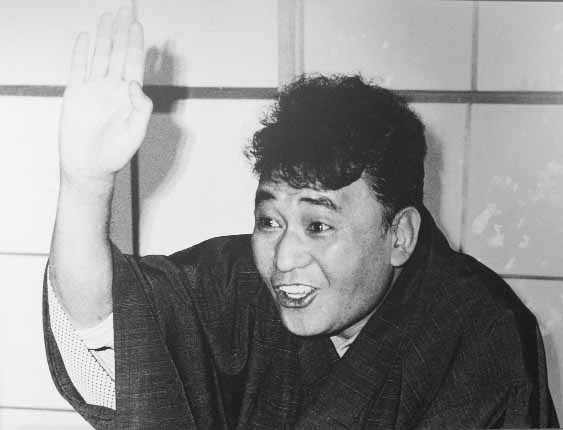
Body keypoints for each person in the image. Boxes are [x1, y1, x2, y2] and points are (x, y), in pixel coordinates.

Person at [44, 7, 559, 430]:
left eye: (318, 226)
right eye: (270, 221)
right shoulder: (237, 286)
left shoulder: (481, 334)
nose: (284, 258)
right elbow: (111, 323)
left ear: (399, 234)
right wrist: (85, 184)